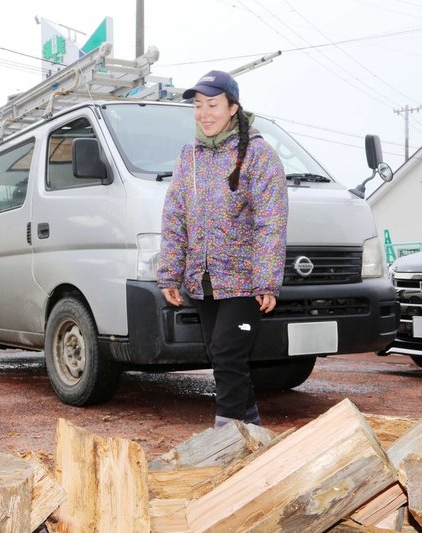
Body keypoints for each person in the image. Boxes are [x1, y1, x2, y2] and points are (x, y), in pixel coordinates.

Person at [158, 70, 288, 428]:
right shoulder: (190, 157)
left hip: (244, 281)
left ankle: (225, 440)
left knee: (230, 356)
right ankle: (250, 431)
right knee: (220, 355)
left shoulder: (259, 155)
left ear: (233, 107)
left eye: (212, 104)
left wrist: (266, 280)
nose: (204, 112)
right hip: (203, 280)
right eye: (198, 105)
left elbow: (271, 221)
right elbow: (175, 216)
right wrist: (170, 272)